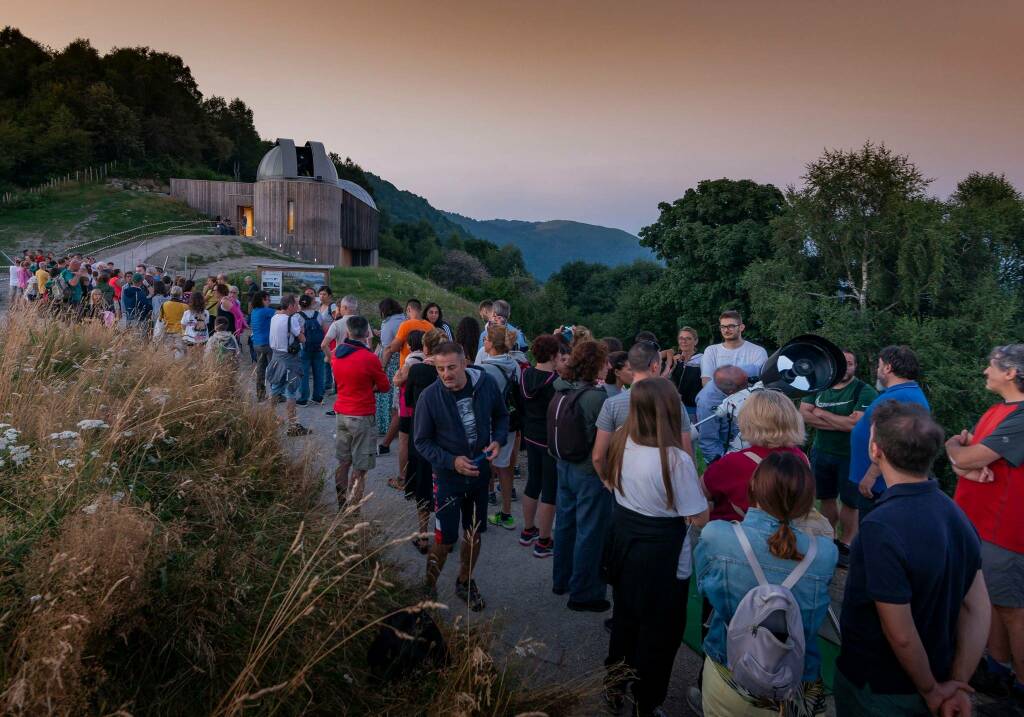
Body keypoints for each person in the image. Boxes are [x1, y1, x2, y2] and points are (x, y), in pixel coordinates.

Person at [836, 401, 989, 717]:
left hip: (879, 688)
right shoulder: (956, 515)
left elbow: (901, 634)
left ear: (875, 451)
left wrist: (932, 691)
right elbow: (977, 608)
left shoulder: (880, 527)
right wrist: (956, 683)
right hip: (936, 676)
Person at [696, 452, 839, 716]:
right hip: (796, 680)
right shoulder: (825, 554)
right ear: (808, 500)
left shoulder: (719, 536)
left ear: (753, 488)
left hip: (729, 670)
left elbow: (703, 585)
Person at [603, 378, 709, 717]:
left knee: (625, 618)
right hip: (662, 557)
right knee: (661, 633)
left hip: (624, 546)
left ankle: (615, 685)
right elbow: (698, 517)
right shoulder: (674, 460)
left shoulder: (621, 440)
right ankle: (646, 701)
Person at [947, 344, 1024, 703]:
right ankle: (997, 669)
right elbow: (962, 464)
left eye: (991, 366)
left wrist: (953, 448)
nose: (985, 372)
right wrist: (961, 459)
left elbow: (968, 455)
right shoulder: (998, 410)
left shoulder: (1021, 416)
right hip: (980, 525)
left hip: (1005, 532)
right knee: (991, 601)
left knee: (1012, 610)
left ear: (1011, 373)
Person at [413, 341, 508, 611]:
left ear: (465, 363)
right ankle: (428, 587)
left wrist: (498, 440)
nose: (446, 374)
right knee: (445, 540)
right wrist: (452, 461)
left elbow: (502, 416)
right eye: (440, 369)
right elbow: (421, 442)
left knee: (474, 532)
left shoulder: (486, 384)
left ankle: (465, 581)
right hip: (447, 480)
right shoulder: (430, 397)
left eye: (452, 367)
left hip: (479, 477)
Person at [551, 340, 612, 612]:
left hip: (563, 465)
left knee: (565, 524)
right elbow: (603, 442)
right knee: (590, 530)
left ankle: (561, 579)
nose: (608, 365)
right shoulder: (596, 397)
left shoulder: (561, 388)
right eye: (605, 361)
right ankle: (584, 592)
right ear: (595, 364)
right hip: (587, 471)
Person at [799, 349, 876, 564]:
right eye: (842, 363)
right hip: (821, 451)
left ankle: (846, 544)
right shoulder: (819, 385)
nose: (845, 367)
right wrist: (839, 422)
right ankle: (828, 539)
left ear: (855, 367)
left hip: (851, 455)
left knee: (851, 503)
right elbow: (803, 414)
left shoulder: (864, 390)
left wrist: (821, 413)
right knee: (826, 498)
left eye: (850, 363)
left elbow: (854, 425)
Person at [702, 390, 817, 526]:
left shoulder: (733, 463)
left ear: (747, 421)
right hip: (791, 534)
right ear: (793, 419)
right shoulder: (801, 457)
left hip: (739, 537)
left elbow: (701, 492)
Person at [593, 341, 694, 485]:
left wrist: (608, 482)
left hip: (626, 485)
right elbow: (686, 451)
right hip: (665, 482)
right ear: (655, 366)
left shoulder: (612, 404)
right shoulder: (674, 402)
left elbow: (598, 456)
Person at [849, 345, 930, 519]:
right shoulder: (904, 393)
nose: (878, 370)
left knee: (874, 534)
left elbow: (892, 442)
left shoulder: (899, 398)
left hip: (879, 486)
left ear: (888, 368)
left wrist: (870, 476)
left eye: (879, 366)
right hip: (881, 484)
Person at [330, 315, 390, 507]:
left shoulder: (337, 353)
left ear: (348, 332)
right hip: (362, 415)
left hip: (342, 413)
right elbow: (384, 386)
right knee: (360, 467)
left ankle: (341, 504)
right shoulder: (369, 358)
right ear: (366, 333)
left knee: (343, 462)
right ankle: (354, 510)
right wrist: (368, 388)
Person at [402, 327, 445, 553]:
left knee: (422, 487)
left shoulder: (417, 370)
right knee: (443, 486)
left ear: (425, 347)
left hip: (421, 434)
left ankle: (423, 535)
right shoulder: (450, 371)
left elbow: (408, 400)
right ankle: (444, 532)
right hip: (445, 436)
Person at [478, 325, 524, 531]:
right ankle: (506, 513)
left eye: (486, 339)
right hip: (508, 423)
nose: (484, 343)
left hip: (488, 424)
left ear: (491, 343)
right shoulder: (514, 364)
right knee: (505, 468)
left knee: (485, 466)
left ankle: (479, 511)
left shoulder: (484, 369)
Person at [519, 334, 561, 557]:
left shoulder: (525, 374)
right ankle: (544, 541)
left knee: (533, 482)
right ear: (554, 355)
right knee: (550, 489)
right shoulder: (555, 382)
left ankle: (528, 530)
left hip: (530, 434)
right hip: (548, 439)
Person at [265, 294, 310, 436]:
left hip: (276, 356)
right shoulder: (292, 319)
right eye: (296, 305)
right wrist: (302, 331)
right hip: (290, 359)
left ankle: (269, 418)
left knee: (275, 388)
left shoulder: (274, 317)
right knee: (291, 391)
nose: (297, 307)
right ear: (290, 306)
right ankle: (293, 425)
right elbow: (302, 339)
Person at [695, 365, 748, 463]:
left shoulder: (738, 376)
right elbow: (708, 441)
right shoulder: (707, 404)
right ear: (731, 392)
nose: (749, 386)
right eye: (745, 385)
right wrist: (724, 465)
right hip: (728, 450)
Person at [700, 310, 768, 385]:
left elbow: (762, 382)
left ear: (741, 327)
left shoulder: (758, 351)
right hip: (718, 396)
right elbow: (706, 381)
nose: (726, 330)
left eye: (731, 326)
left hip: (749, 396)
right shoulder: (711, 351)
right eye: (723, 327)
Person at [321, 295, 360, 414]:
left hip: (341, 359)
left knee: (341, 386)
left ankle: (340, 409)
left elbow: (324, 344)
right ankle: (355, 408)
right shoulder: (362, 322)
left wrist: (330, 357)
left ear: (344, 307)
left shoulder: (337, 324)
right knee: (357, 386)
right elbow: (368, 344)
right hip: (359, 360)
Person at [375, 298, 406, 437]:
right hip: (401, 359)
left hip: (390, 361)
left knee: (386, 393)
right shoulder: (403, 319)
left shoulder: (388, 323)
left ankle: (386, 426)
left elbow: (388, 348)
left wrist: (381, 368)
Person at [381, 299, 434, 369]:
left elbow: (393, 348)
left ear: (409, 309)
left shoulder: (406, 325)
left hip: (407, 367)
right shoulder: (431, 326)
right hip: (426, 366)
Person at [667, 327, 704, 420]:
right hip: (673, 406)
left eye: (688, 338)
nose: (684, 341)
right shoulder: (675, 359)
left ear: (695, 341)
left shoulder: (702, 359)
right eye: (681, 338)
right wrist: (672, 364)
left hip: (693, 408)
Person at [296, 294, 326, 406]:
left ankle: (303, 398)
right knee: (319, 373)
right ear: (311, 303)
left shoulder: (297, 316)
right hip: (318, 348)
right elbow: (323, 329)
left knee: (303, 374)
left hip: (304, 348)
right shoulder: (318, 315)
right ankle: (318, 397)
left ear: (300, 304)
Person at [249, 292, 276, 402]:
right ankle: (276, 394)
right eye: (267, 299)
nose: (269, 302)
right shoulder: (266, 311)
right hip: (268, 344)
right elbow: (282, 313)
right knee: (274, 369)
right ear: (262, 300)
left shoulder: (254, 311)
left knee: (260, 370)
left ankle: (260, 395)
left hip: (257, 344)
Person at [159, 286, 188, 356]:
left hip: (167, 331)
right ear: (181, 294)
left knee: (168, 354)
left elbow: (160, 319)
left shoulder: (164, 305)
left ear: (171, 294)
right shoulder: (185, 306)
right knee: (180, 355)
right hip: (180, 332)